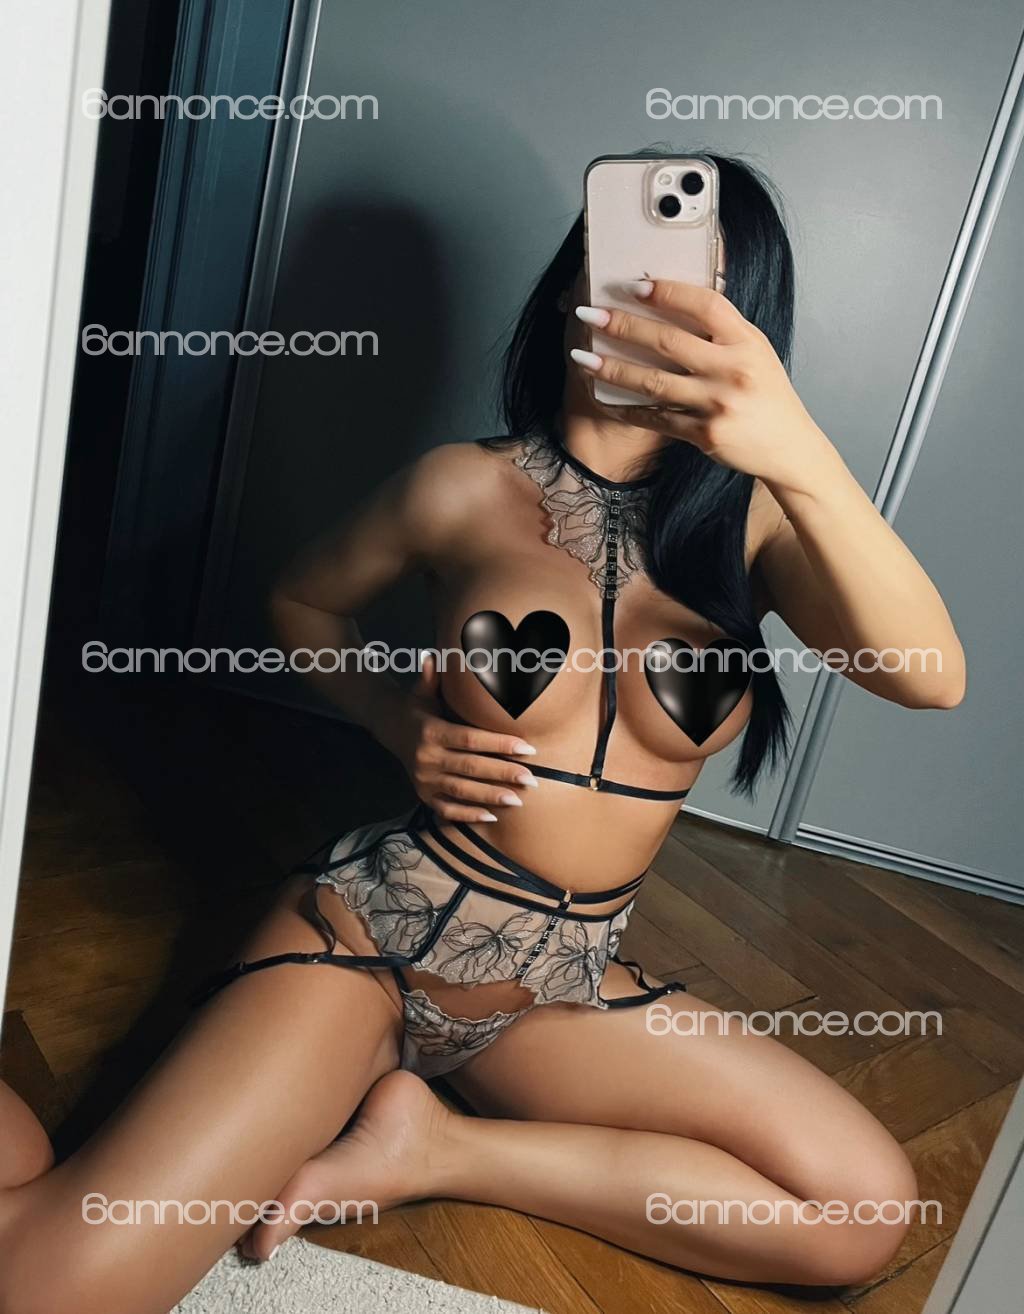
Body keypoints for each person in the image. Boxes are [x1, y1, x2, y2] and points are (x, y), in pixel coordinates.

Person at [0, 154, 965, 1314]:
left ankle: (436, 1150)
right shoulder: (461, 487)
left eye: (695, 284)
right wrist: (389, 712)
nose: (650, 300)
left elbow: (930, 680)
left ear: (744, 326)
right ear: (567, 287)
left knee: (859, 1213)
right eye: (621, 262)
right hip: (375, 943)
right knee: (49, 1283)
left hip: (557, 987)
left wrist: (798, 452)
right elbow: (301, 602)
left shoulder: (755, 527)